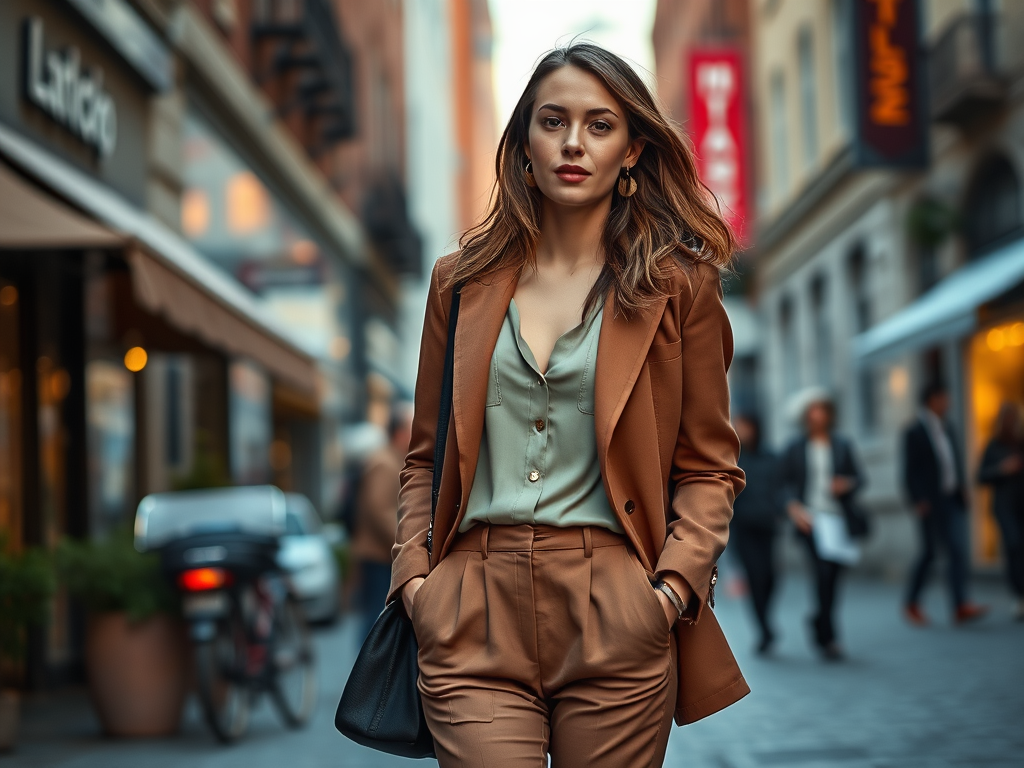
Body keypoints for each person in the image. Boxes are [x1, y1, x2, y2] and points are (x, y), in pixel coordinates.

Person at [389, 43, 746, 768]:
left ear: (633, 149)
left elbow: (709, 466)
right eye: (553, 122)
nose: (574, 143)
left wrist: (671, 590)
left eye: (600, 125)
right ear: (524, 141)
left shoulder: (680, 287)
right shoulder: (459, 284)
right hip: (470, 606)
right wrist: (415, 580)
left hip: (618, 602)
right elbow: (424, 455)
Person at [781, 393, 863, 661]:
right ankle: (829, 638)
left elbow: (860, 478)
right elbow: (782, 484)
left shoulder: (841, 445)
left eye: (821, 410)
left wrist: (846, 484)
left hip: (838, 519)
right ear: (806, 416)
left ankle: (819, 619)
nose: (817, 416)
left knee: (835, 578)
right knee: (822, 574)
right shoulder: (795, 447)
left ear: (829, 415)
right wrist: (793, 507)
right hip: (811, 521)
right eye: (812, 411)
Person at [903, 382, 988, 625]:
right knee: (929, 553)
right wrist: (918, 499)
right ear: (932, 400)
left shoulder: (947, 426)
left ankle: (960, 604)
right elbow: (910, 471)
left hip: (952, 498)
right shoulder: (914, 431)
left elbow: (953, 460)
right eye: (944, 398)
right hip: (930, 502)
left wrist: (962, 486)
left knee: (958, 550)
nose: (948, 403)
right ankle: (912, 602)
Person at [349, 404, 413, 640]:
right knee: (374, 619)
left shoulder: (392, 459)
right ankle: (367, 673)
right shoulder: (384, 462)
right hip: (378, 556)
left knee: (376, 617)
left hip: (382, 555)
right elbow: (379, 510)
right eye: (411, 429)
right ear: (399, 432)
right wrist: (405, 542)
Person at [731, 413, 784, 655]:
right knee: (755, 577)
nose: (742, 430)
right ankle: (764, 630)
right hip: (743, 529)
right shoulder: (733, 459)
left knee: (771, 578)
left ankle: (766, 620)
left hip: (768, 526)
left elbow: (781, 487)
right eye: (738, 426)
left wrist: (780, 510)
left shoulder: (771, 457)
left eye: (745, 425)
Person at [977, 401, 1024, 620]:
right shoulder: (993, 445)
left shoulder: (1020, 443)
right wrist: (1002, 469)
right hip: (1004, 506)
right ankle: (1019, 595)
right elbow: (980, 476)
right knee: (1013, 546)